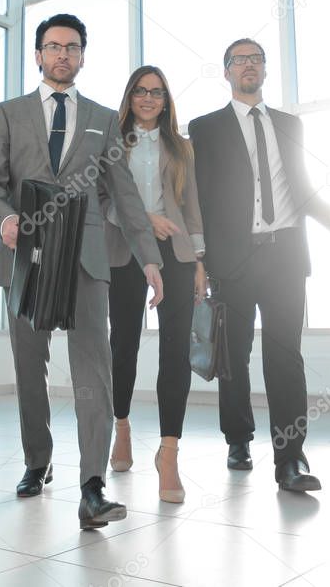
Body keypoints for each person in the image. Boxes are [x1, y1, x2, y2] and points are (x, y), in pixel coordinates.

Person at [0, 14, 163, 530]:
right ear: (37, 55)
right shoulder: (8, 114)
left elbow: (125, 195)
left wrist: (149, 257)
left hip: (86, 261)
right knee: (29, 367)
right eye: (53, 46)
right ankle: (38, 460)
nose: (63, 55)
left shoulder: (104, 119)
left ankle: (93, 486)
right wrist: (6, 218)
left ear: (83, 56)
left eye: (72, 47)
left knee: (93, 373)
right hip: (25, 256)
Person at [188, 38, 330, 492]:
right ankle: (238, 438)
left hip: (285, 255)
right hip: (232, 258)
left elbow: (300, 187)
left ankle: (290, 458)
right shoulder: (205, 128)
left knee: (285, 356)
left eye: (256, 59)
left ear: (265, 70)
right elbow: (198, 197)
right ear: (226, 72)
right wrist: (199, 259)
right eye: (239, 60)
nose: (249, 66)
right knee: (234, 356)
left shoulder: (289, 124)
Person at [105, 66, 206, 504]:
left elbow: (193, 205)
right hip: (123, 249)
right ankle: (122, 428)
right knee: (123, 344)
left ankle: (169, 453)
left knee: (175, 350)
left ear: (166, 101)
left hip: (177, 252)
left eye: (157, 93)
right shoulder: (110, 143)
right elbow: (102, 197)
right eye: (141, 91)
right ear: (129, 96)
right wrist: (143, 219)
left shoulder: (182, 147)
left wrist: (201, 262)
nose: (148, 99)